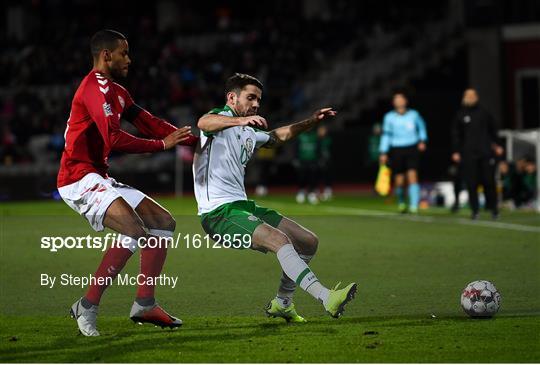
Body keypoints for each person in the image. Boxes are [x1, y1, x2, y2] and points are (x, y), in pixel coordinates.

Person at [57, 30, 197, 336]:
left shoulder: (118, 91)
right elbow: (113, 137)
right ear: (107, 55)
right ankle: (87, 305)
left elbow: (148, 121)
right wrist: (161, 146)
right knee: (134, 229)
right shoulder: (94, 87)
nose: (129, 59)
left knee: (163, 221)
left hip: (98, 174)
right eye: (124, 53)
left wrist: (192, 141)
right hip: (77, 177)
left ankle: (145, 303)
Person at [193, 73, 357, 322]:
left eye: (258, 99)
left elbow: (276, 137)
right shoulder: (220, 121)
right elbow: (204, 122)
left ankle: (282, 303)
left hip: (241, 205)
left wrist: (310, 121)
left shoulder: (247, 131)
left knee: (307, 241)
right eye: (250, 98)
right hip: (217, 213)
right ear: (231, 97)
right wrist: (242, 121)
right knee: (279, 240)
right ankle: (326, 297)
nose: (256, 104)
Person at [451, 88, 503, 220]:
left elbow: (493, 129)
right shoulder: (461, 114)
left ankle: (493, 209)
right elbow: (456, 134)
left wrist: (497, 144)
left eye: (472, 95)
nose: (470, 97)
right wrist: (456, 151)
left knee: (489, 181)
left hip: (485, 152)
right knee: (472, 183)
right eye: (467, 95)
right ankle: (475, 210)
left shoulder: (484, 112)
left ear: (477, 97)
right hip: (468, 154)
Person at [379, 92, 427, 213]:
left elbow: (421, 127)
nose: (399, 102)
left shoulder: (414, 114)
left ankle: (414, 205)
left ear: (405, 101)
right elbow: (386, 135)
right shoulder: (389, 117)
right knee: (399, 179)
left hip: (412, 147)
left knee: (413, 176)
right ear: (393, 103)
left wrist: (422, 140)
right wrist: (383, 152)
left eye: (401, 99)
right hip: (397, 149)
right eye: (396, 100)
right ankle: (401, 201)